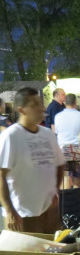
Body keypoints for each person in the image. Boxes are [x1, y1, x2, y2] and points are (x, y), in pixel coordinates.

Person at [0, 87, 65, 233]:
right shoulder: (11, 136)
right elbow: (1, 176)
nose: (40, 108)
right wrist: (9, 210)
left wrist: (55, 191)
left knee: (53, 253)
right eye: (34, 104)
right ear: (22, 109)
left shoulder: (47, 134)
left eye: (40, 103)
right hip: (22, 215)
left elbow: (60, 164)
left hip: (48, 212)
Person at [54, 93, 80, 188]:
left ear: (65, 102)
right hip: (79, 149)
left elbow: (56, 132)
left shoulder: (58, 116)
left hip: (63, 149)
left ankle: (65, 199)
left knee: (65, 176)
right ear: (75, 102)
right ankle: (78, 198)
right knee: (78, 175)